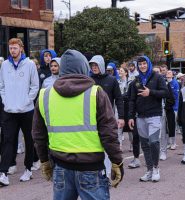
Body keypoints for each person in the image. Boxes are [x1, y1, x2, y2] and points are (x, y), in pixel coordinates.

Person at [31, 49, 123, 199]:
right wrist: (117, 161)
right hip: (91, 168)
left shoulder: (45, 95)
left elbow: (38, 135)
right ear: (83, 68)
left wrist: (44, 161)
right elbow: (109, 133)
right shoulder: (96, 93)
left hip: (60, 167)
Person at [0, 38, 39, 186]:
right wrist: (5, 100)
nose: (12, 51)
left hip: (26, 110)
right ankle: (3, 173)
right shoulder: (4, 65)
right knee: (8, 140)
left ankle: (28, 169)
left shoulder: (29, 65)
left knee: (29, 140)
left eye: (15, 48)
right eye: (10, 48)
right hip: (9, 110)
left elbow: (35, 86)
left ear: (21, 48)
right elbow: (1, 85)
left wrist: (27, 101)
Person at [128, 56, 168, 182]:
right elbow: (132, 100)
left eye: (144, 63)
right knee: (145, 144)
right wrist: (130, 116)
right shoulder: (136, 80)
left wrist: (150, 92)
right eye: (140, 64)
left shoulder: (158, 77)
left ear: (148, 64)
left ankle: (156, 168)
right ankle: (149, 170)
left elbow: (165, 93)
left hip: (154, 115)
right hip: (140, 116)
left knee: (154, 142)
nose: (142, 66)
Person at [89, 55, 125, 129]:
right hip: (91, 117)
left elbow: (119, 99)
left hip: (108, 116)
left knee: (108, 138)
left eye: (96, 65)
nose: (94, 67)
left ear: (101, 65)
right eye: (92, 65)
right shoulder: (88, 80)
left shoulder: (112, 80)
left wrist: (121, 117)